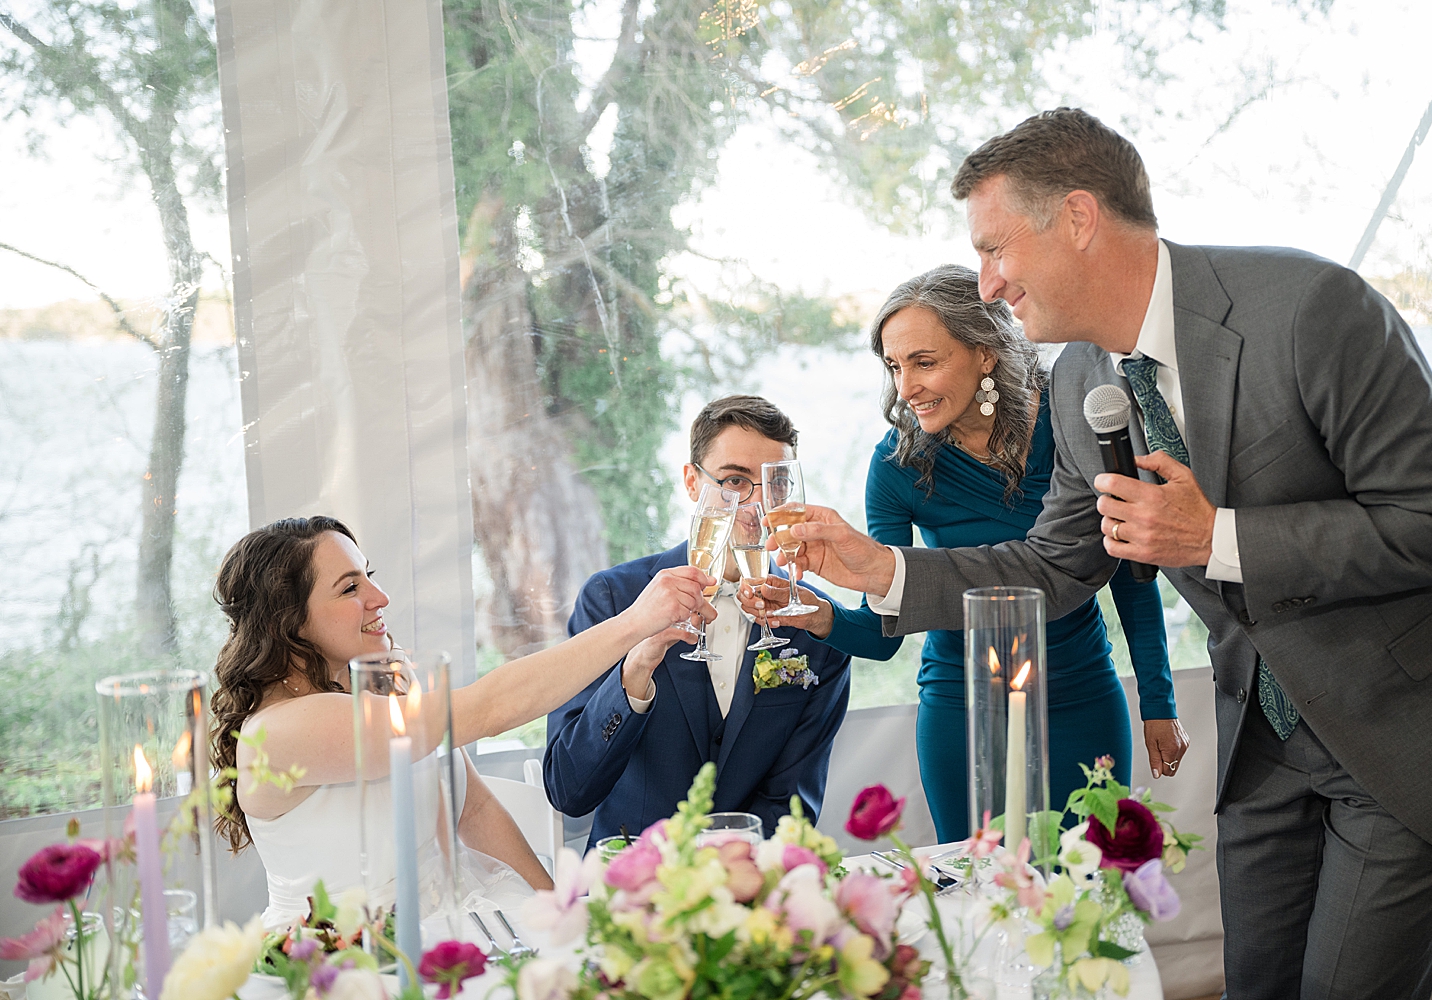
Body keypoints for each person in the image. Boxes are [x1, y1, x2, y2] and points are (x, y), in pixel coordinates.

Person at [763, 109, 1432, 999]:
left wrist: (1216, 537)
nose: (988, 284)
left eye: (996, 250)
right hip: (1262, 746)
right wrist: (884, 571)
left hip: (1397, 730)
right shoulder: (1082, 380)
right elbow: (1054, 566)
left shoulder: (1311, 308)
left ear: (1078, 218)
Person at [749, 265, 1185, 843]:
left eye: (924, 362)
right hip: (961, 709)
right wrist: (819, 614)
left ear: (985, 354)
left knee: (1091, 892)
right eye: (894, 367)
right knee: (986, 897)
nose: (905, 388)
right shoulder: (897, 466)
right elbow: (886, 630)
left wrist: (1157, 697)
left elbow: (1131, 568)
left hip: (1080, 695)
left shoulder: (1073, 421)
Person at [209, 514, 712, 927]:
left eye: (370, 574)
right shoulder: (282, 732)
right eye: (349, 588)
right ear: (288, 620)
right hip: (346, 957)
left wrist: (556, 911)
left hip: (458, 914)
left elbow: (474, 811)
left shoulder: (390, 684)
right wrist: (633, 622)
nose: (379, 597)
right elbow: (491, 708)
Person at [544, 396, 852, 847]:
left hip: (749, 889)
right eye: (733, 481)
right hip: (626, 888)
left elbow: (794, 808)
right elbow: (568, 790)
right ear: (691, 481)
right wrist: (633, 675)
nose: (755, 507)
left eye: (774, 486)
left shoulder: (816, 625)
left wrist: (724, 883)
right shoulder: (612, 599)